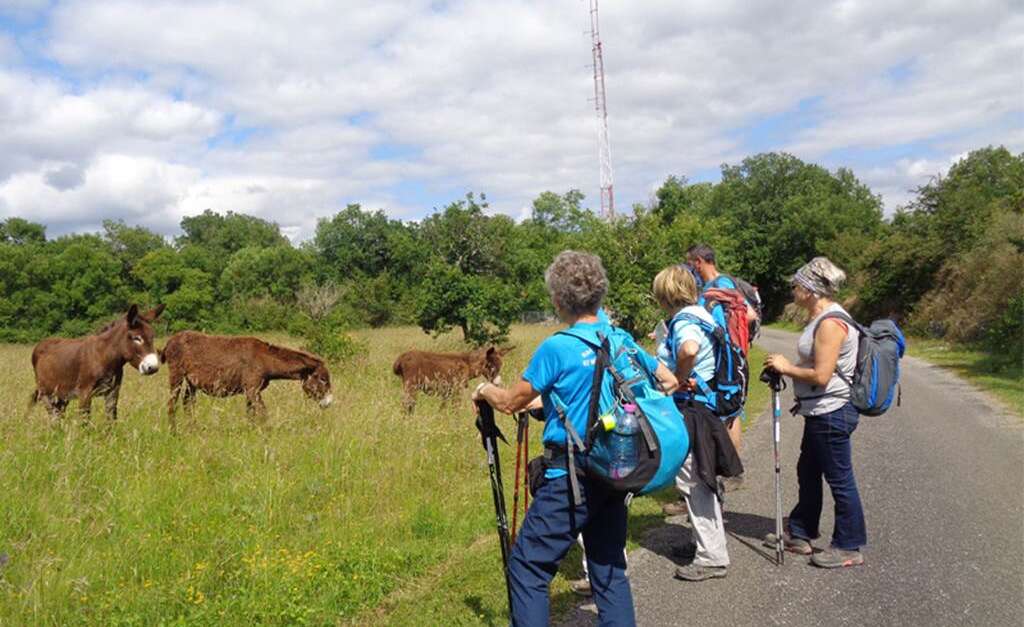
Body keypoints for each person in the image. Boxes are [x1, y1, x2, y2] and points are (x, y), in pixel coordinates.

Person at [473, 250, 678, 625]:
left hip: (570, 476)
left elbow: (508, 403)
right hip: (614, 468)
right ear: (599, 294)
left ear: (556, 299)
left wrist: (484, 389)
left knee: (528, 566)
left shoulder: (557, 347)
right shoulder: (618, 339)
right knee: (609, 567)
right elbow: (668, 379)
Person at [763, 256, 866, 568]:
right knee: (808, 470)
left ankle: (849, 546)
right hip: (820, 411)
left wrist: (786, 367)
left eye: (797, 285)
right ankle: (801, 531)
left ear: (810, 289)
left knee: (839, 478)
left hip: (832, 411)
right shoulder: (821, 319)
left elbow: (821, 376)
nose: (793, 290)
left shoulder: (831, 324)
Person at [653, 265, 742, 582]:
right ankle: (701, 543)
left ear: (665, 293)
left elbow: (689, 350)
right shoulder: (702, 314)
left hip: (691, 409)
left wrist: (676, 378)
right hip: (704, 407)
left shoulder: (684, 321)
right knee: (700, 478)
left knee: (695, 480)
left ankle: (712, 556)